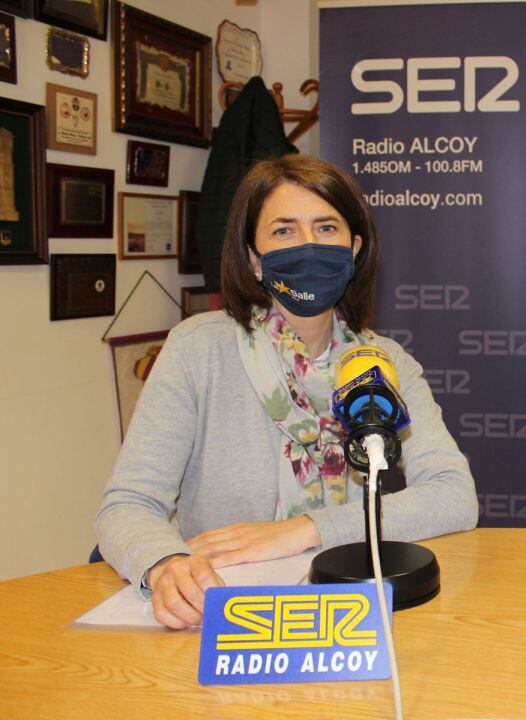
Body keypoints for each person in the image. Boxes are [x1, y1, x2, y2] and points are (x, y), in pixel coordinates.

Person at [95, 155, 478, 629]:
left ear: (354, 249)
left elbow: (454, 495)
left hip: (349, 614)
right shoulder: (199, 349)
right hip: (226, 616)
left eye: (326, 228)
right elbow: (127, 505)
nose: (308, 246)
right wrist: (164, 563)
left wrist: (306, 530)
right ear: (254, 259)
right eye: (284, 231)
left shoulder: (385, 363)